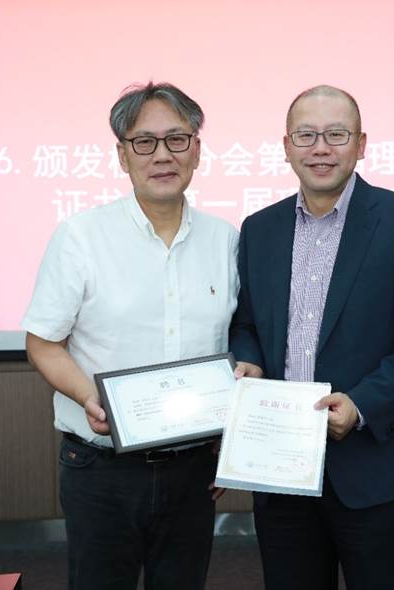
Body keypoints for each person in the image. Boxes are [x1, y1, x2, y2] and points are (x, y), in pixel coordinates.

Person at [229, 85, 394, 590]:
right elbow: (246, 325)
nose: (321, 148)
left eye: (336, 134)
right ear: (286, 145)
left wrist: (363, 404)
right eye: (306, 135)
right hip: (280, 465)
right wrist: (250, 361)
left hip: (373, 463)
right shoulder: (259, 228)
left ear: (361, 144)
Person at [22, 82, 238, 590]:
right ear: (123, 155)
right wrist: (88, 396)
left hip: (193, 468)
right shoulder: (80, 236)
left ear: (197, 149)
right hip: (102, 467)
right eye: (144, 142)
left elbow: (233, 345)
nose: (162, 155)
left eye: (177, 139)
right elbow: (43, 342)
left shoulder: (225, 240)